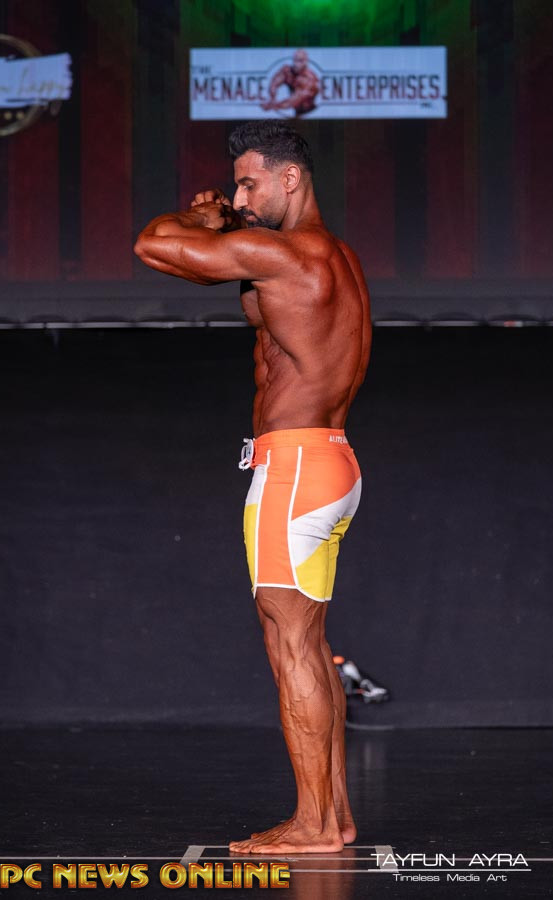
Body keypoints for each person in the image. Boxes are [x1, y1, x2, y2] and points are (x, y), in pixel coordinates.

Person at [134, 120, 371, 854]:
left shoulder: (287, 253)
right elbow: (265, 314)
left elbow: (154, 245)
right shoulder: (332, 258)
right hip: (330, 462)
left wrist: (202, 218)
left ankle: (313, 825)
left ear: (290, 178)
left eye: (248, 183)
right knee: (311, 646)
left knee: (289, 645)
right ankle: (334, 816)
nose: (239, 196)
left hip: (294, 472)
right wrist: (234, 223)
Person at [261, 48, 320, 116]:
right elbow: (274, 83)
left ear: (305, 62)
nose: (297, 64)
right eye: (295, 60)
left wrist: (273, 105)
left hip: (311, 113)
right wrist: (272, 97)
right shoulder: (287, 71)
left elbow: (294, 101)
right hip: (296, 112)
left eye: (300, 61)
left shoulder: (310, 79)